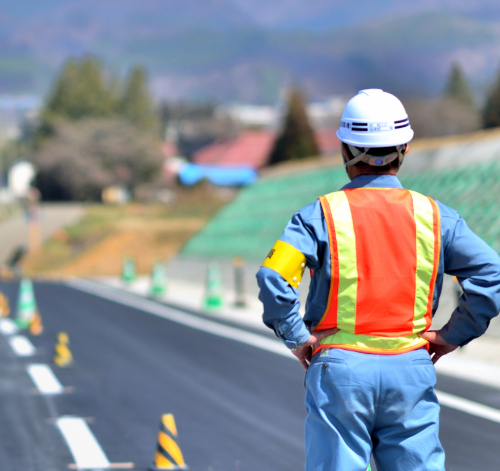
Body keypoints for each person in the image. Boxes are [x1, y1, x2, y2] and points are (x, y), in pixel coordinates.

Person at [256, 89, 500, 471]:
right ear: (403, 149)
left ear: (345, 150)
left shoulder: (318, 215)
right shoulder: (436, 216)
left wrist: (297, 337)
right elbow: (492, 274)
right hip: (410, 365)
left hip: (340, 370)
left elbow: (274, 276)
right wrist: (453, 334)